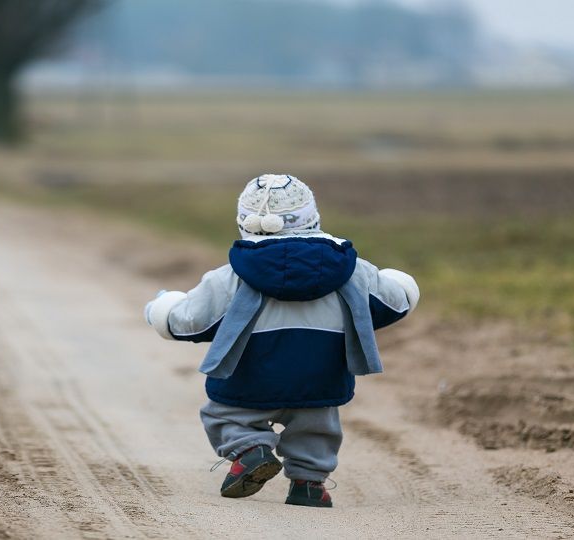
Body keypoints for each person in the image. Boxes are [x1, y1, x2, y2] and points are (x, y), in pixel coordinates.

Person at [144, 174, 419, 507]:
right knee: (316, 427)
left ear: (245, 222)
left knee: (225, 415)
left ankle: (249, 450)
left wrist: (163, 308)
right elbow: (393, 302)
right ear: (312, 218)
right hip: (321, 379)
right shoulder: (353, 271)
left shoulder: (231, 277)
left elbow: (188, 321)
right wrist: (402, 285)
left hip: (250, 378)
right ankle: (309, 484)